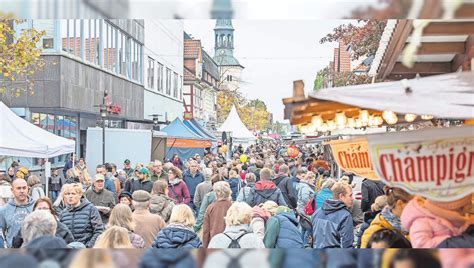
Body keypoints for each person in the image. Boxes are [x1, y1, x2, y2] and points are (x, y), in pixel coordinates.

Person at [401, 193, 474, 248]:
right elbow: (421, 245)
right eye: (463, 208)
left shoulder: (453, 217)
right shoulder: (420, 222)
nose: (465, 213)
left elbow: (462, 229)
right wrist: (454, 242)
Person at [59, 183, 104, 248]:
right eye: (68, 194)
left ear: (80, 195)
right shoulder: (63, 213)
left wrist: (89, 246)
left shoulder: (91, 209)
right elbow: (59, 234)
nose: (70, 196)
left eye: (73, 194)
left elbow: (99, 230)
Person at [312, 182, 354, 248]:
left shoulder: (317, 212)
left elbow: (310, 238)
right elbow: (347, 244)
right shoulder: (345, 216)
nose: (352, 198)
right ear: (341, 196)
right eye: (350, 195)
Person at [0, 179, 35, 247]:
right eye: (18, 188)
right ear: (12, 190)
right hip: (13, 252)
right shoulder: (4, 210)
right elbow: (1, 233)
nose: (22, 191)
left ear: (28, 189)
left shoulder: (36, 206)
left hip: (33, 250)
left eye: (24, 188)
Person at [202, 181, 233, 248]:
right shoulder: (233, 207)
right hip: (231, 243)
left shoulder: (210, 208)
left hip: (214, 243)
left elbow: (206, 231)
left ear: (216, 193)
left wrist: (205, 247)